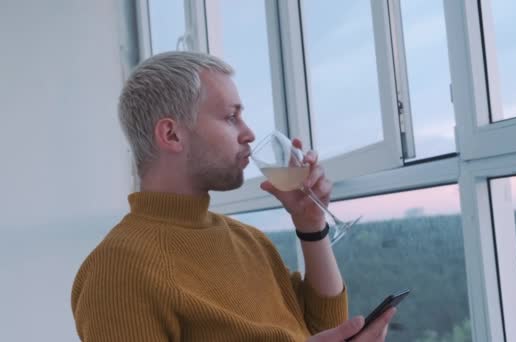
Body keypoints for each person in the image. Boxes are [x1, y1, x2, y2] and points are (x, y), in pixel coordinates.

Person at [71, 51, 396, 341]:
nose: (249, 133)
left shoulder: (251, 242)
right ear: (171, 134)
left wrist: (311, 225)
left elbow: (322, 326)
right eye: (231, 116)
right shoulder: (117, 271)